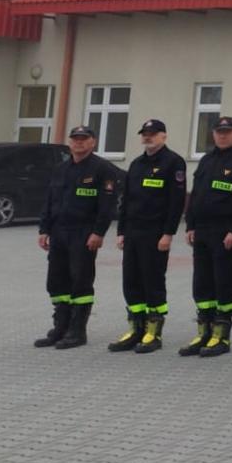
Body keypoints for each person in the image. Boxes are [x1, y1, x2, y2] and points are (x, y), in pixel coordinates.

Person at [103, 119, 187, 353]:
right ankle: (135, 328)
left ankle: (153, 332)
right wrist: (121, 231)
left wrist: (168, 233)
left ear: (164, 136)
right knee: (131, 281)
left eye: (153, 134)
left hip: (155, 233)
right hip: (133, 232)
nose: (148, 137)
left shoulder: (173, 163)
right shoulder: (137, 164)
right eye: (145, 134)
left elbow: (176, 202)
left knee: (153, 281)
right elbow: (127, 200)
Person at [179, 116, 232, 358]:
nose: (223, 135)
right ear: (213, 134)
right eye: (219, 131)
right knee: (202, 283)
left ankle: (221, 335)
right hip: (202, 231)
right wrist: (190, 225)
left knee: (223, 283)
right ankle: (204, 331)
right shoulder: (207, 159)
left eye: (228, 131)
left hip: (226, 233)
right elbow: (196, 196)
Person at [34, 125, 119, 350]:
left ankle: (77, 331)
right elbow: (50, 201)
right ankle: (60, 327)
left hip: (84, 233)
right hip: (59, 232)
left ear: (93, 142)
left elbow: (107, 206)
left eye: (84, 139)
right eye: (75, 139)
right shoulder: (61, 168)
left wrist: (99, 232)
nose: (79, 142)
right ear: (70, 142)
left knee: (80, 281)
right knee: (56, 281)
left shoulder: (103, 169)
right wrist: (44, 230)